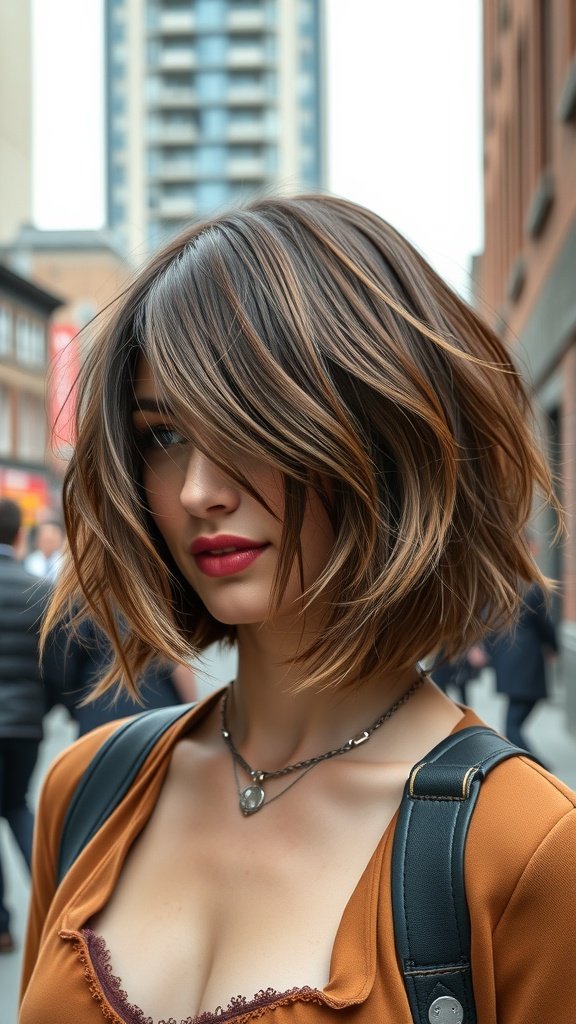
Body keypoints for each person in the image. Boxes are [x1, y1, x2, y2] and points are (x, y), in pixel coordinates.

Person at [19, 195, 575, 1022]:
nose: (201, 491)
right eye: (165, 436)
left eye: (250, 424)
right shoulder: (89, 787)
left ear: (384, 436)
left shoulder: (524, 849)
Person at [0, 500, 56, 953]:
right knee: (18, 806)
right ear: (21, 535)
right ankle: (56, 902)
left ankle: (0, 924)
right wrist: (42, 708)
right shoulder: (38, 590)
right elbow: (55, 663)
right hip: (23, 725)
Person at [488, 582, 558, 754]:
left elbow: (487, 623)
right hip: (526, 659)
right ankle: (539, 768)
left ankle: (536, 767)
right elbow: (544, 623)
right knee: (512, 726)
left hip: (509, 658)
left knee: (512, 723)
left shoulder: (501, 587)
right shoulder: (532, 588)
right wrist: (554, 647)